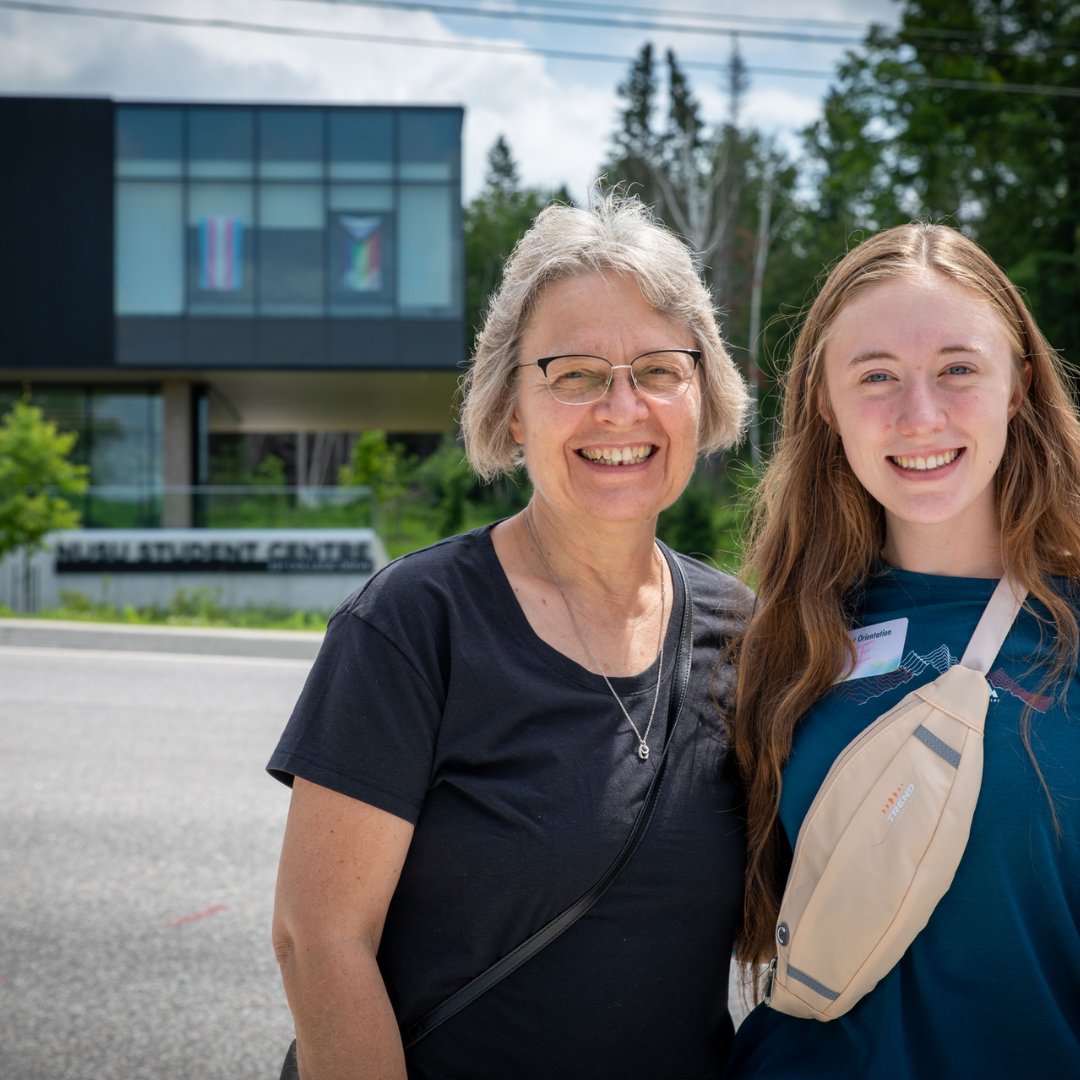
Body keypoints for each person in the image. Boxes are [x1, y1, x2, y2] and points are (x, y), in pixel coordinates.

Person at [268, 194, 752, 1080]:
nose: (620, 407)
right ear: (513, 407)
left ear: (702, 391)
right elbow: (319, 942)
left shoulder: (745, 633)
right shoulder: (414, 624)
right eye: (572, 373)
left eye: (657, 368)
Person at [723, 222, 1080, 1078]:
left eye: (959, 368)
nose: (920, 416)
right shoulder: (779, 640)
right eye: (876, 376)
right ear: (824, 403)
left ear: (1018, 387)